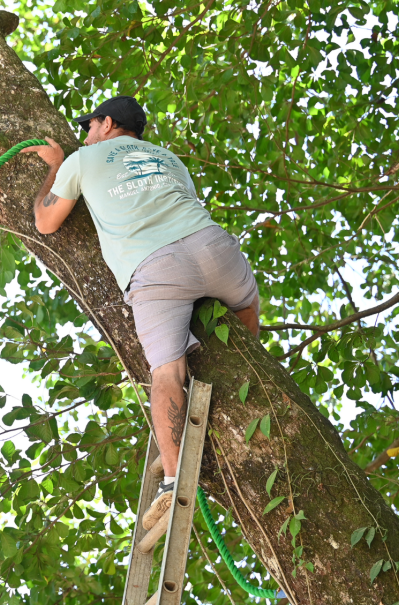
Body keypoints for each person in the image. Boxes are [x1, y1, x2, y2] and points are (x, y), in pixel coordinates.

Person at [24, 96, 260, 531]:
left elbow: (45, 222)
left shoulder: (84, 158)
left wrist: (56, 165)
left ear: (107, 123)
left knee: (167, 374)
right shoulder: (170, 158)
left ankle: (174, 485)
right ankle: (254, 372)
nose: (86, 133)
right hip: (212, 247)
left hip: (155, 267)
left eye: (90, 126)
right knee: (246, 302)